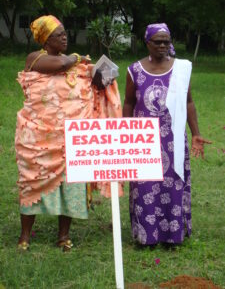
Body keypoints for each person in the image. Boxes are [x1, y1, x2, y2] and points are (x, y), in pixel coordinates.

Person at [15, 15, 122, 251]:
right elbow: (60, 66)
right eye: (58, 34)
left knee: (71, 185)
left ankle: (63, 236)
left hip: (70, 137)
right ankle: (25, 236)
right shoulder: (36, 58)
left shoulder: (76, 63)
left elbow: (99, 80)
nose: (64, 37)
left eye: (64, 33)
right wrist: (78, 59)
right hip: (38, 137)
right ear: (45, 39)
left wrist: (104, 74)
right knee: (32, 182)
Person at [123, 23, 211, 246]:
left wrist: (196, 134)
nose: (162, 46)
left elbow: (189, 102)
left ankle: (173, 235)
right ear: (147, 43)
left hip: (172, 138)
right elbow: (129, 102)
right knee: (144, 185)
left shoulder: (181, 69)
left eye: (166, 41)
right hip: (143, 140)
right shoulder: (134, 70)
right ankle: (146, 236)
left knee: (173, 185)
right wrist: (124, 133)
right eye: (157, 41)